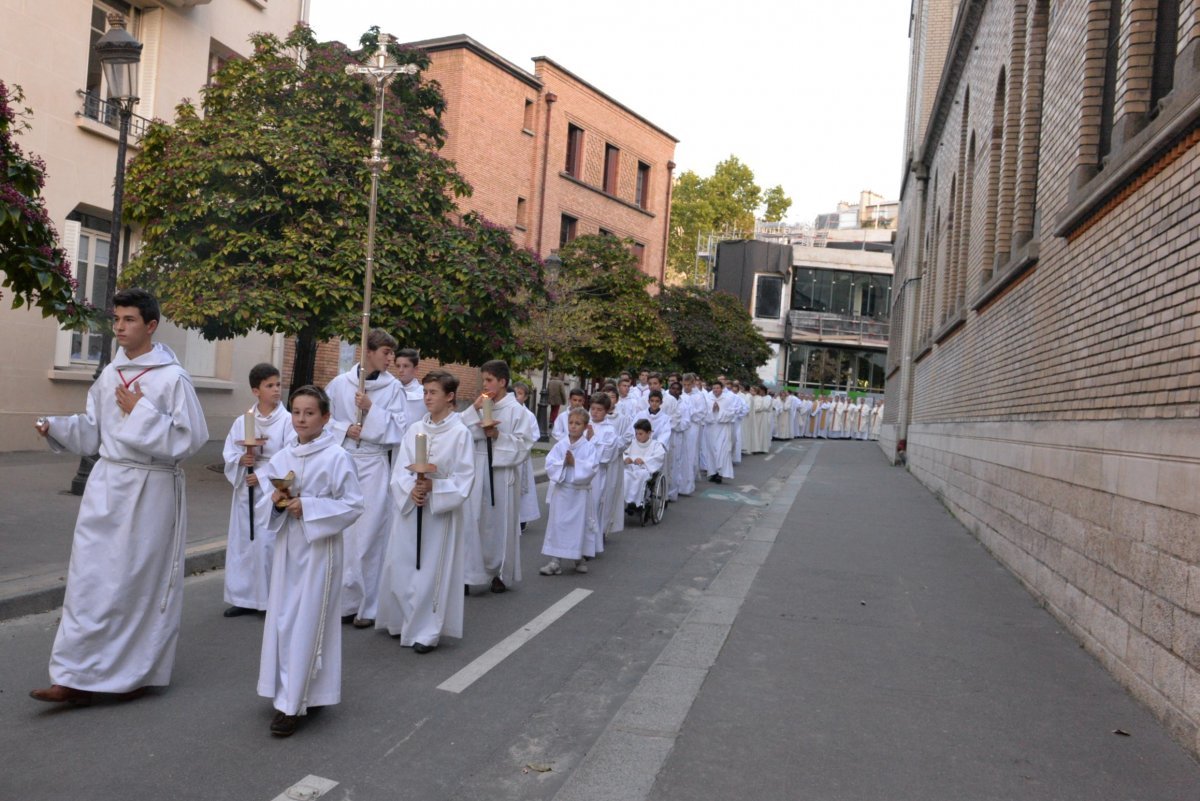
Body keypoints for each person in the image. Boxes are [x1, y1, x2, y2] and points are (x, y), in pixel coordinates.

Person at [31, 288, 208, 706]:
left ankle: (135, 673)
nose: (121, 327)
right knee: (89, 580)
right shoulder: (111, 373)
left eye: (129, 320)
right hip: (107, 485)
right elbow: (95, 429)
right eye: (117, 320)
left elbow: (191, 438)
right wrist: (57, 427)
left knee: (135, 582)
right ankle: (73, 674)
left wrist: (141, 411)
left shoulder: (172, 377)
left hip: (151, 488)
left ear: (151, 326)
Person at [258, 385, 364, 737]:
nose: (301, 419)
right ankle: (291, 688)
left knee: (308, 621)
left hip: (320, 550)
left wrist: (311, 507)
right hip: (289, 547)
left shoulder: (336, 456)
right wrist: (277, 502)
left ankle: (295, 702)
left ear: (326, 418)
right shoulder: (283, 456)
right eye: (297, 412)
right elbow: (268, 505)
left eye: (309, 413)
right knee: (285, 619)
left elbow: (352, 504)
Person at [377, 371, 474, 654]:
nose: (427, 397)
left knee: (431, 571)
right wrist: (412, 489)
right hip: (411, 509)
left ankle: (426, 631)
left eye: (433, 392)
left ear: (450, 396)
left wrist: (434, 488)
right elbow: (400, 469)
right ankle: (400, 620)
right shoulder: (414, 429)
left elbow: (464, 479)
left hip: (439, 516)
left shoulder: (460, 434)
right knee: (403, 565)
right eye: (426, 392)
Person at [326, 329, 408, 629]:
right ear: (369, 351)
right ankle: (344, 602)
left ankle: (368, 605)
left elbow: (400, 429)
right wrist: (346, 428)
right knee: (345, 534)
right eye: (385, 353)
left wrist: (372, 411)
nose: (391, 359)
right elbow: (325, 421)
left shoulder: (393, 388)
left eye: (392, 354)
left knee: (370, 535)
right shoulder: (339, 384)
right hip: (345, 460)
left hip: (374, 463)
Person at [222, 362, 290, 618]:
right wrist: (241, 461)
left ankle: (269, 599)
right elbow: (229, 451)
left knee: (267, 544)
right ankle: (243, 597)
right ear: (255, 391)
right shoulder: (243, 421)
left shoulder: (286, 421)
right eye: (269, 385)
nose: (276, 390)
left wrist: (260, 475)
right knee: (244, 543)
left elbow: (289, 456)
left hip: (271, 488)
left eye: (278, 384)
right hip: (245, 490)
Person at [463, 360, 535, 593]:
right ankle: (469, 573)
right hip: (478, 464)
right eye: (483, 380)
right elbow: (460, 431)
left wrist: (497, 436)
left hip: (502, 473)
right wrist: (474, 408)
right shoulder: (482, 404)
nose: (485, 385)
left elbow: (524, 444)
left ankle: (498, 573)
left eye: (489, 380)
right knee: (474, 520)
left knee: (498, 524)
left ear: (502, 382)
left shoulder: (516, 411)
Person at [539, 407, 598, 576]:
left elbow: (592, 467)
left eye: (578, 423)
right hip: (562, 491)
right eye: (571, 423)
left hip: (578, 493)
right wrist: (562, 464)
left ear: (585, 427)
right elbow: (550, 463)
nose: (573, 426)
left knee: (577, 526)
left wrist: (575, 463)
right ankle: (555, 560)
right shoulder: (561, 445)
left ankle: (578, 557)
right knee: (558, 524)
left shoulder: (588, 447)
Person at [583, 392, 618, 561]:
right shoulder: (583, 423)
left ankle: (590, 546)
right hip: (581, 472)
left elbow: (606, 457)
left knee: (593, 507)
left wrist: (593, 439)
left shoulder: (610, 431)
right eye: (593, 409)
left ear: (606, 411)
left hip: (597, 474)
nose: (595, 412)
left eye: (599, 410)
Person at [512, 383, 542, 531]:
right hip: (509, 457)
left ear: (526, 397)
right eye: (515, 393)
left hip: (522, 459)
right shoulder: (507, 412)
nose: (517, 396)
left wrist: (521, 444)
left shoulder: (529, 416)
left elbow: (534, 435)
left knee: (523, 490)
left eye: (520, 394)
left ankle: (522, 518)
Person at [623, 419, 667, 512]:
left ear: (649, 433)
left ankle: (636, 502)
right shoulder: (632, 443)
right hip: (631, 468)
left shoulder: (655, 445)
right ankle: (626, 501)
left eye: (640, 434)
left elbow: (659, 457)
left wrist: (644, 461)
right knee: (624, 475)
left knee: (640, 476)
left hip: (645, 469)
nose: (638, 436)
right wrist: (626, 458)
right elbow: (623, 452)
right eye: (636, 433)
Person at [703, 379, 737, 484]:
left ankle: (720, 473)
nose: (715, 390)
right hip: (711, 428)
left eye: (717, 388)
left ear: (721, 389)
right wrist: (712, 410)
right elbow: (704, 413)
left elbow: (732, 413)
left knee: (722, 451)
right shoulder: (708, 399)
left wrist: (720, 410)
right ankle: (713, 472)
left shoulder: (727, 399)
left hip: (723, 429)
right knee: (712, 451)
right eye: (714, 388)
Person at [666, 380, 691, 501]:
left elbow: (686, 423)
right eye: (672, 388)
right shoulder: (664, 401)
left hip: (677, 437)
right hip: (665, 436)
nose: (674, 391)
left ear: (680, 392)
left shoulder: (684, 405)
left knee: (675, 465)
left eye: (677, 389)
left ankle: (672, 493)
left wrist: (674, 424)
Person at [392, 348, 426, 434]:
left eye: (405, 366)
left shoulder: (424, 393)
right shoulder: (390, 390)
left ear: (416, 369)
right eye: (398, 366)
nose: (401, 370)